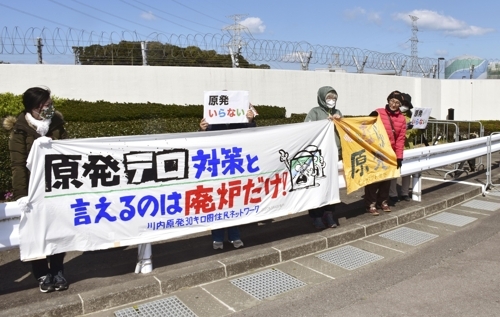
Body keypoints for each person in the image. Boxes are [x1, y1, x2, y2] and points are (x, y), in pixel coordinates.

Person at [3, 86, 69, 293]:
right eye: (44, 107)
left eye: (50, 105)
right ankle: (42, 273)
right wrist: (21, 195)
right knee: (36, 232)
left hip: (56, 186)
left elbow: (68, 152)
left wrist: (55, 145)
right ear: (32, 108)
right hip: (33, 189)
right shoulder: (20, 130)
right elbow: (18, 165)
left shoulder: (56, 123)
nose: (48, 110)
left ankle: (58, 270)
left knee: (58, 230)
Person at [199, 104, 256, 249]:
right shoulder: (211, 122)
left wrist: (250, 121)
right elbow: (202, 142)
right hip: (216, 167)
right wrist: (202, 129)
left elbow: (252, 137)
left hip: (234, 167)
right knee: (217, 202)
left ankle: (234, 236)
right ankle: (217, 238)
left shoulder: (239, 120)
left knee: (233, 201)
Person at [304, 86, 343, 229]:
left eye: (334, 98)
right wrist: (323, 123)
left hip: (334, 154)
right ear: (321, 97)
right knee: (317, 186)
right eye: (328, 98)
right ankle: (316, 216)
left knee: (332, 186)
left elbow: (344, 130)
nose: (331, 100)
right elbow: (306, 129)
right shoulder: (314, 112)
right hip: (318, 156)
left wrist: (340, 121)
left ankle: (329, 213)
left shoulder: (337, 112)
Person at [365, 91, 406, 216]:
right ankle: (370, 204)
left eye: (397, 103)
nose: (394, 104)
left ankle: (383, 201)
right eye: (392, 101)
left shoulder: (401, 118)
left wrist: (399, 157)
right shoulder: (378, 112)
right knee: (374, 179)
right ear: (388, 100)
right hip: (376, 152)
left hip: (390, 153)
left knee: (386, 180)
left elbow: (400, 139)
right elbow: (366, 127)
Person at [389, 92, 414, 204]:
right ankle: (392, 194)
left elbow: (412, 133)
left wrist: (420, 128)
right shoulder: (394, 114)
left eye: (406, 105)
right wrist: (407, 130)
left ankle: (404, 193)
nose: (404, 106)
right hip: (396, 146)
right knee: (395, 171)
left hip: (408, 146)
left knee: (407, 172)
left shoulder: (410, 115)